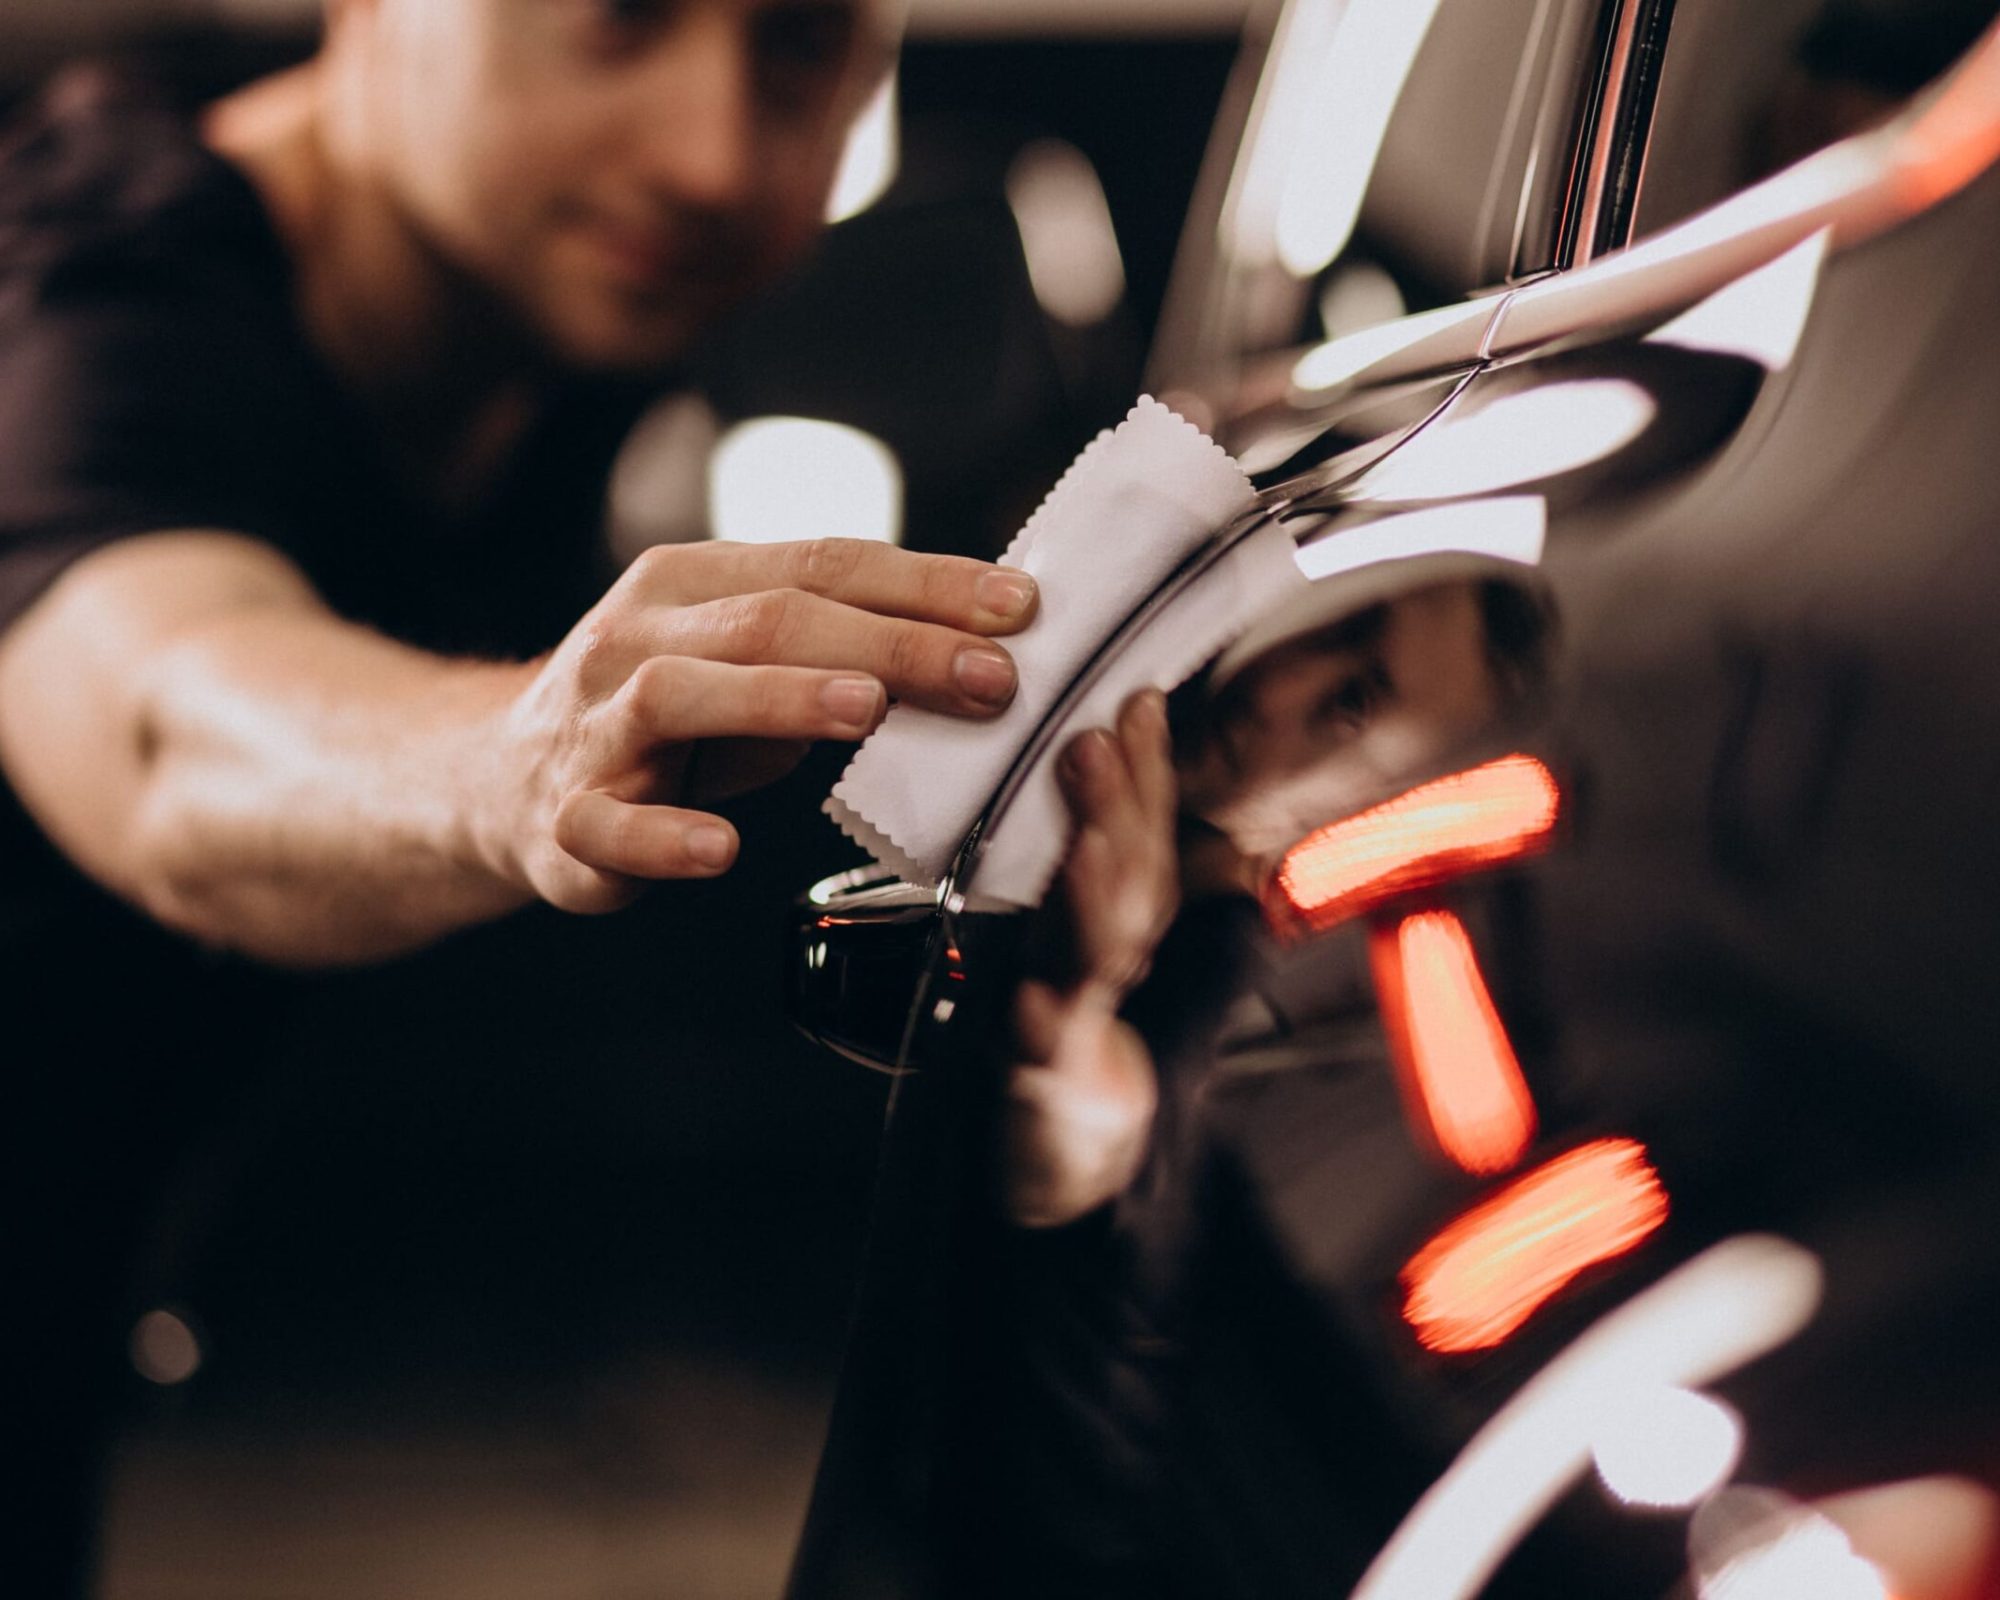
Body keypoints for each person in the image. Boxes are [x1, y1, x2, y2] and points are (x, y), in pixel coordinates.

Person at [0, 1, 1042, 1590]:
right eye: (615, 15)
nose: (712, 158)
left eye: (799, 43)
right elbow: (164, 734)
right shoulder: (96, 295)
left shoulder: (528, 311)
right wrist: (507, 759)